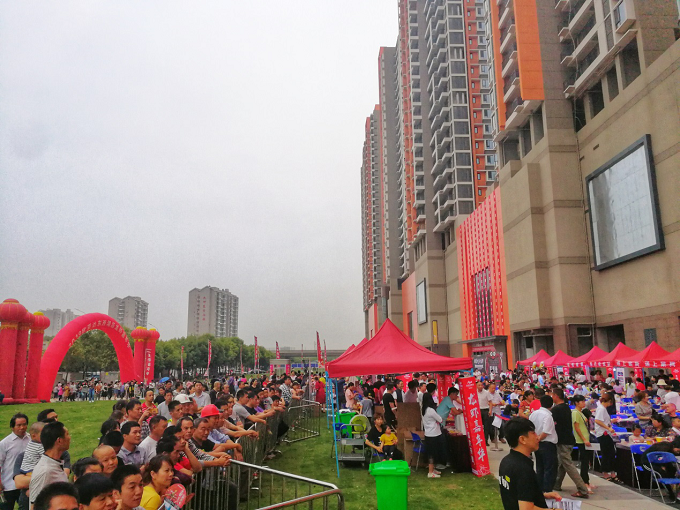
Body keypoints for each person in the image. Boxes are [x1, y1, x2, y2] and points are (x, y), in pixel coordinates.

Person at [498, 417, 562, 510]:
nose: (537, 437)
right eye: (533, 433)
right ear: (522, 439)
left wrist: (542, 495)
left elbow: (516, 493)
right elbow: (526, 509)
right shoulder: (523, 469)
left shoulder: (506, 461)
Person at [551, 388, 589, 498]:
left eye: (552, 395)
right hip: (569, 439)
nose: (552, 397)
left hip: (563, 440)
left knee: (568, 464)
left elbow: (551, 423)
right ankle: (557, 484)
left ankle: (582, 489)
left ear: (556, 396)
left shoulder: (556, 409)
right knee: (562, 464)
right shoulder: (567, 408)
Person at [29, 422, 71, 507]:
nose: (69, 437)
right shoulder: (45, 471)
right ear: (59, 440)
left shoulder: (55, 464)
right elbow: (34, 505)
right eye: (67, 434)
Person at [0, 413, 29, 510]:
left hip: (25, 484)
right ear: (12, 427)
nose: (22, 427)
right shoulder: (4, 443)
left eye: (24, 424)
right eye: (18, 425)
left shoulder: (31, 440)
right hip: (9, 485)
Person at [529, 395, 557, 494]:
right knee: (549, 468)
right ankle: (547, 490)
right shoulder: (548, 416)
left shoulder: (534, 413)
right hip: (547, 444)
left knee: (540, 467)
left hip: (537, 443)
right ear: (552, 405)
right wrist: (539, 438)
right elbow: (545, 432)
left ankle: (539, 488)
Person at [571, 395, 594, 493]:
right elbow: (577, 428)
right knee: (584, 462)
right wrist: (584, 439)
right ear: (577, 402)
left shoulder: (580, 412)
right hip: (582, 440)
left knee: (586, 461)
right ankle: (584, 483)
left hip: (586, 438)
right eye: (582, 401)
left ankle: (587, 481)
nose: (584, 403)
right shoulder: (575, 413)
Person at [421, 390, 446, 479]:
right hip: (434, 434)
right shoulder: (431, 410)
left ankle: (433, 469)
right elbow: (440, 419)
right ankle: (430, 472)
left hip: (428, 433)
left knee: (431, 453)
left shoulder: (424, 409)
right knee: (432, 454)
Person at [593, 392, 618, 482]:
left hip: (606, 433)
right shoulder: (601, 409)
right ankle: (605, 472)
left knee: (611, 453)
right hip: (603, 434)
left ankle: (612, 472)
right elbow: (597, 420)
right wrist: (608, 428)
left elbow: (603, 420)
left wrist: (611, 421)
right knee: (606, 453)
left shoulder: (603, 409)